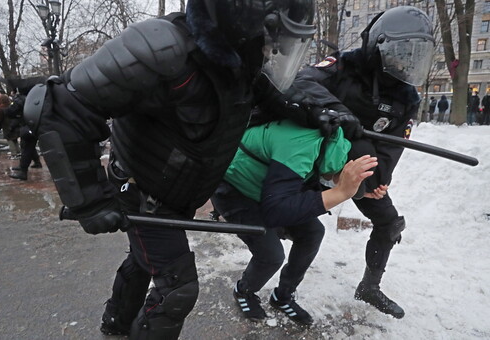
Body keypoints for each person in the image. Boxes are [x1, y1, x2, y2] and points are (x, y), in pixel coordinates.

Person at [23, 1, 318, 339]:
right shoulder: (164, 47)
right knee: (177, 288)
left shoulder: (240, 58)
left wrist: (315, 113)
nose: (270, 49)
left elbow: (266, 93)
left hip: (177, 188)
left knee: (143, 259)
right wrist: (89, 200)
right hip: (141, 188)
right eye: (271, 37)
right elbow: (59, 105)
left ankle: (116, 325)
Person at [271, 6, 435, 319]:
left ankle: (370, 287)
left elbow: (392, 145)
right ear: (379, 45)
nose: (406, 63)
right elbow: (297, 82)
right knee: (292, 222)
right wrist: (338, 112)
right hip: (314, 156)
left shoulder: (407, 97)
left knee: (388, 223)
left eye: (414, 57)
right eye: (401, 54)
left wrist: (378, 179)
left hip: (361, 165)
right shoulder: (345, 65)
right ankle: (283, 287)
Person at [211, 119, 378, 325]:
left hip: (267, 186)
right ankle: (244, 290)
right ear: (344, 166)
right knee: (270, 255)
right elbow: (277, 212)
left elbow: (313, 182)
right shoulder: (302, 145)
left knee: (313, 233)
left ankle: (283, 295)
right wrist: (341, 191)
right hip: (235, 187)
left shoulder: (332, 147)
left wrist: (367, 189)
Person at [8, 89, 42, 181]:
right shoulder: (37, 97)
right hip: (33, 125)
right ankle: (33, 164)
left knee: (26, 148)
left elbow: (11, 111)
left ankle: (23, 171)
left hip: (28, 125)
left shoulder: (20, 99)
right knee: (29, 147)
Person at [0, 94, 21, 158]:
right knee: (14, 139)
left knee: (9, 139)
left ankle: (14, 153)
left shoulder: (0, 108)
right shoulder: (12, 106)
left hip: (6, 125)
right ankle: (19, 152)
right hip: (14, 124)